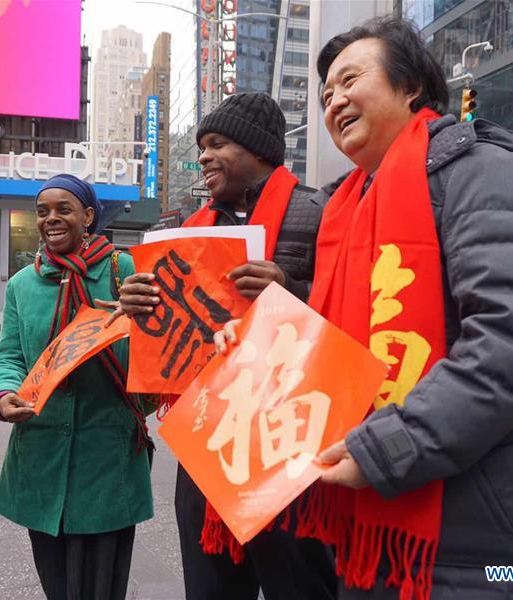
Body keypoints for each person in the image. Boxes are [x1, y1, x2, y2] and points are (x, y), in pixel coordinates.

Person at [226, 16, 513, 600]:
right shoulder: (345, 208)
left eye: (350, 80)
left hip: (484, 547)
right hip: (372, 541)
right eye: (326, 94)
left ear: (411, 86)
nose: (334, 101)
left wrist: (386, 449)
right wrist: (250, 349)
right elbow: (331, 346)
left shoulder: (487, 173)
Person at [117, 92, 336, 600]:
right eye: (201, 147)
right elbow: (164, 335)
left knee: (301, 585)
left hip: (290, 441)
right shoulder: (185, 233)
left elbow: (349, 307)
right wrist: (138, 306)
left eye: (217, 144)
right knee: (210, 586)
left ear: (257, 150)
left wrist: (291, 291)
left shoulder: (319, 212)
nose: (204, 157)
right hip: (209, 439)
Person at [0, 174, 153, 600]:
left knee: (102, 587)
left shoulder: (123, 269)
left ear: (89, 216)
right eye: (43, 212)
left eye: (64, 209)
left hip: (107, 456)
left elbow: (160, 346)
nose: (51, 219)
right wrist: (3, 396)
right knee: (57, 584)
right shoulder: (23, 284)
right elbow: (9, 356)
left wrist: (139, 320)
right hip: (40, 455)